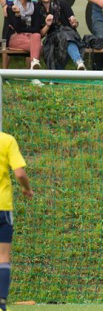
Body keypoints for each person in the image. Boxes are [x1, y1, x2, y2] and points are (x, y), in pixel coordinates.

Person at [0, 131, 34, 311]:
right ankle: (1, 303)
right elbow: (20, 173)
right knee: (3, 256)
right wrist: (27, 189)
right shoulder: (6, 140)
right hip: (2, 207)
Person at [37, 0, 85, 70]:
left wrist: (74, 23)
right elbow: (41, 34)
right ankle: (78, 61)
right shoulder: (37, 9)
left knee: (65, 36)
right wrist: (47, 25)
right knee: (63, 37)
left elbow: (74, 24)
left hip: (69, 34)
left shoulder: (62, 4)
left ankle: (79, 62)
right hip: (52, 38)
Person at [6, 0, 43, 72]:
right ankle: (34, 72)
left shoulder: (35, 6)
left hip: (31, 37)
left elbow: (37, 29)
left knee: (37, 36)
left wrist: (27, 30)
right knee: (40, 46)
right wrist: (18, 14)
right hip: (15, 37)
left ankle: (33, 69)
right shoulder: (11, 7)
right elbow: (17, 29)